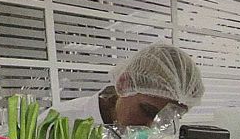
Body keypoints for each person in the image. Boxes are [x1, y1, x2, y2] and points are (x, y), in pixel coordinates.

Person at [56, 43, 205, 125]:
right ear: (124, 84)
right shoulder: (59, 125)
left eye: (167, 119)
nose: (151, 127)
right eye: (148, 111)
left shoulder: (162, 138)